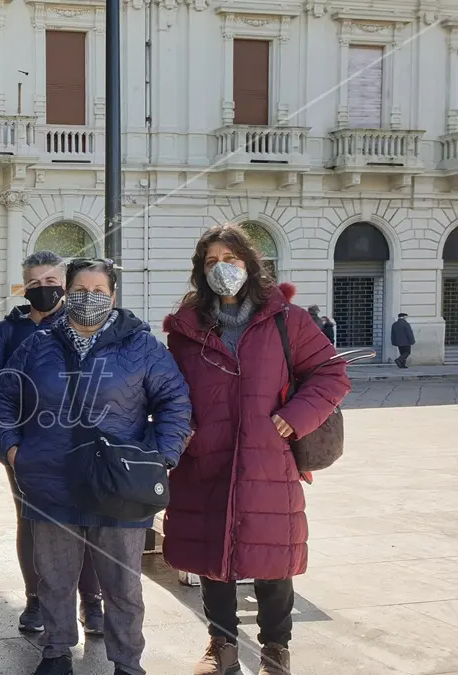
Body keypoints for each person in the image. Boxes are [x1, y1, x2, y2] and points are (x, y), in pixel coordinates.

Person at [0, 258, 192, 675]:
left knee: (123, 586)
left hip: (118, 484)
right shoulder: (38, 344)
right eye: (81, 290)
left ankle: (127, 662)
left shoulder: (141, 346)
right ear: (67, 293)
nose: (90, 298)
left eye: (99, 291)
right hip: (51, 480)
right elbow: (1, 396)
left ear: (113, 296)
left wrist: (160, 457)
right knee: (54, 579)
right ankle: (56, 651)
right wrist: (12, 449)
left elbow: (175, 400)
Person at [162, 225, 351, 675]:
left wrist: (297, 416)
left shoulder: (286, 319)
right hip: (206, 459)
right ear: (200, 270)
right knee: (212, 557)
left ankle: (276, 649)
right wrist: (182, 428)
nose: (222, 268)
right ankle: (221, 646)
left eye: (230, 259)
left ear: (249, 263)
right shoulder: (186, 328)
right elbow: (172, 391)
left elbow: (331, 373)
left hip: (268, 457)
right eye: (211, 261)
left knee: (272, 558)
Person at [0, 251, 104, 636]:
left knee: (85, 520)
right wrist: (7, 443)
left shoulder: (82, 325)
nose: (43, 289)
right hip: (27, 447)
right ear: (24, 286)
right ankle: (36, 600)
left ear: (64, 285)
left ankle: (91, 602)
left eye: (51, 282)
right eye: (35, 283)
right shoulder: (7, 331)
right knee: (31, 522)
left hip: (79, 442)